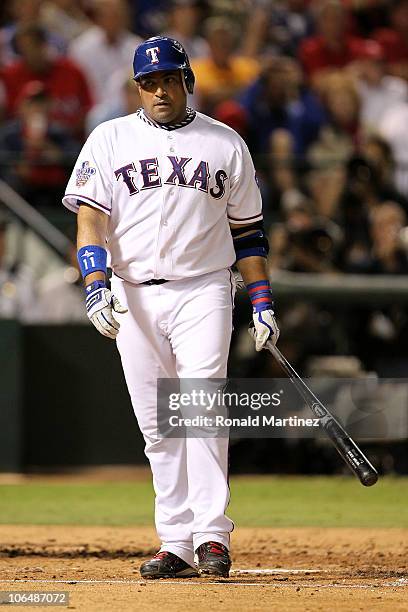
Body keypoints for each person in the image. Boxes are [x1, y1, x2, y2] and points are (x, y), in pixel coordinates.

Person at [62, 36, 279, 579]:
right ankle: (176, 541)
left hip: (203, 288)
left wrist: (261, 302)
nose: (159, 90)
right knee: (158, 425)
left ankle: (211, 536)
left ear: (188, 81)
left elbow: (249, 235)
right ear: (137, 87)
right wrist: (96, 282)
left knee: (200, 406)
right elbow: (91, 220)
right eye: (148, 82)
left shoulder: (226, 143)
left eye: (169, 79)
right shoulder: (109, 138)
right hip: (132, 288)